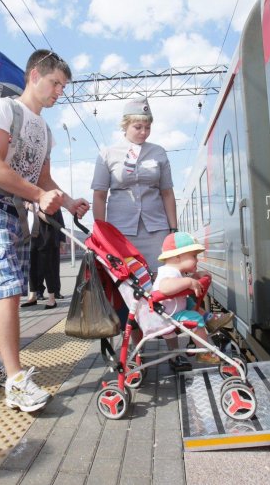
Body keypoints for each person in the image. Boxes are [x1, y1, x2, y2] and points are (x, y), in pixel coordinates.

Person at [0, 49, 89, 412]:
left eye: (63, 87)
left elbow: (43, 179)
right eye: (55, 83)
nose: (59, 92)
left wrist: (67, 203)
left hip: (16, 211)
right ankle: (16, 382)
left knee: (8, 293)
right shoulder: (4, 110)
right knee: (9, 290)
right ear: (35, 75)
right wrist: (39, 195)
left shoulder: (45, 130)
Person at [90, 97, 190, 369]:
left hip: (157, 230)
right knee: (130, 293)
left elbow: (167, 192)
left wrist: (173, 230)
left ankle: (175, 349)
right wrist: (100, 234)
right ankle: (137, 353)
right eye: (138, 126)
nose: (143, 132)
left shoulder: (158, 152)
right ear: (125, 125)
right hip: (120, 235)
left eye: (147, 126)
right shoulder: (108, 153)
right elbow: (99, 196)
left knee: (165, 288)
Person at [154, 232, 222, 365]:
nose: (197, 260)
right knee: (194, 318)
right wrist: (189, 282)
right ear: (178, 256)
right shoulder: (169, 271)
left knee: (191, 303)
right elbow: (165, 288)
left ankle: (210, 319)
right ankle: (204, 352)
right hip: (168, 315)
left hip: (173, 309)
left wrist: (195, 278)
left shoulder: (176, 271)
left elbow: (178, 285)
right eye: (194, 256)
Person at [22, 207, 65, 309]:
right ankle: (33, 296)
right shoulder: (27, 201)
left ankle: (52, 298)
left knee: (48, 268)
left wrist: (62, 239)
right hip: (30, 237)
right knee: (32, 267)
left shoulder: (48, 201)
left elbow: (56, 220)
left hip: (46, 237)